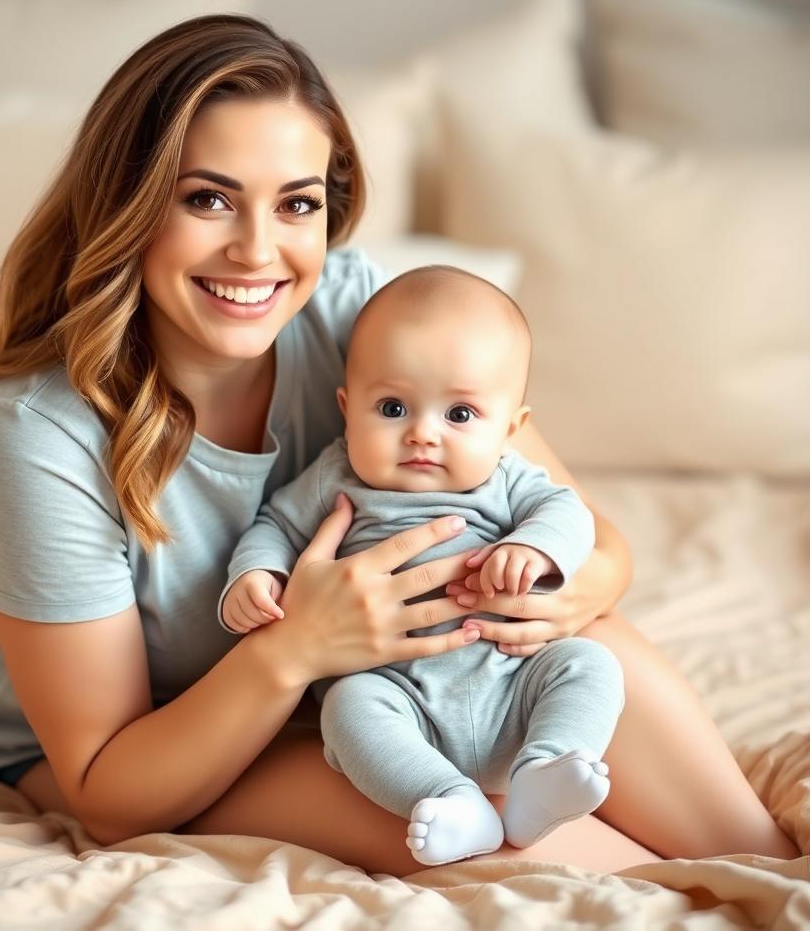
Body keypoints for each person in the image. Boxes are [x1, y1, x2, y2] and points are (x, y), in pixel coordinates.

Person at [0, 12, 798, 876]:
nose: (259, 252)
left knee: (592, 655)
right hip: (147, 747)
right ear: (128, 204)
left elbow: (589, 539)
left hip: (348, 681)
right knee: (467, 834)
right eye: (208, 198)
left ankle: (768, 869)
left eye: (295, 204)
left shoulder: (352, 312)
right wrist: (296, 649)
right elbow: (109, 790)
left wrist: (559, 597)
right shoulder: (42, 434)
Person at [218, 265, 625, 865]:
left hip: (513, 685)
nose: (421, 435)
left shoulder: (510, 478)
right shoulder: (338, 476)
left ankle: (544, 772)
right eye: (391, 407)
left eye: (459, 415)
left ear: (511, 428)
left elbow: (569, 512)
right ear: (346, 406)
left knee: (590, 663)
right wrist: (255, 577)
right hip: (396, 695)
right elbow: (274, 527)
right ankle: (449, 801)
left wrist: (536, 548)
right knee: (345, 708)